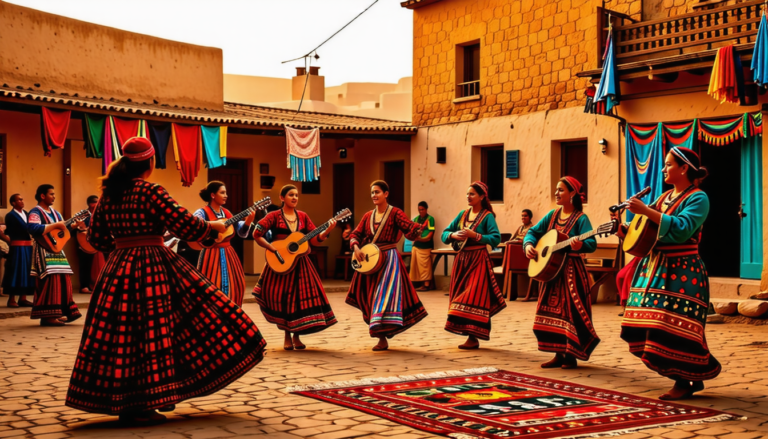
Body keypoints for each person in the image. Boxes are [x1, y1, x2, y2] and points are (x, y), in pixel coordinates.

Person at [65, 137, 267, 424]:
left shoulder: (109, 195)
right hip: (153, 267)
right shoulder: (151, 191)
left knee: (122, 335)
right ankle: (152, 398)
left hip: (118, 269)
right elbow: (184, 223)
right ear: (149, 164)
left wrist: (123, 249)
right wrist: (212, 227)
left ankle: (128, 402)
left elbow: (96, 239)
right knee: (162, 327)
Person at [617, 147, 719, 400]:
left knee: (673, 327)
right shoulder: (663, 199)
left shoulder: (698, 198)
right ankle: (686, 376)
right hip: (656, 268)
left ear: (684, 168)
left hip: (683, 272)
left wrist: (645, 210)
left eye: (668, 164)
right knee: (647, 324)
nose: (663, 169)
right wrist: (623, 229)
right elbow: (645, 230)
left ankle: (684, 380)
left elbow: (683, 229)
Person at [524, 176, 600, 369]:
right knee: (549, 310)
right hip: (551, 272)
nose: (556, 193)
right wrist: (529, 245)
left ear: (572, 194)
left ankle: (571, 355)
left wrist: (581, 244)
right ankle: (558, 352)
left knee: (570, 311)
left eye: (561, 190)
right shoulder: (552, 215)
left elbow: (592, 244)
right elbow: (532, 232)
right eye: (556, 190)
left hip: (572, 272)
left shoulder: (581, 219)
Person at [252, 184, 337, 350]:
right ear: (282, 198)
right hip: (280, 263)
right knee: (283, 299)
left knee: (299, 302)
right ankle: (286, 336)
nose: (294, 198)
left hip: (301, 265)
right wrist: (272, 248)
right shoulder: (274, 216)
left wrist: (327, 231)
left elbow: (313, 239)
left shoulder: (303, 216)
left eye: (296, 195)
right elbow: (257, 233)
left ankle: (297, 336)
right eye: (291, 195)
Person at [347, 180, 428, 351]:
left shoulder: (395, 213)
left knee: (382, 297)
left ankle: (382, 337)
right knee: (369, 297)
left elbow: (408, 229)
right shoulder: (368, 216)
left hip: (389, 261)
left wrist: (418, 229)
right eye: (372, 192)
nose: (374, 195)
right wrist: (356, 247)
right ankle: (381, 334)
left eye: (377, 192)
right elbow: (356, 233)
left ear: (386, 194)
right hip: (369, 262)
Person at [442, 182, 505, 349]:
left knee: (473, 296)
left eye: (472, 194)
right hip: (462, 260)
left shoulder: (487, 216)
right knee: (460, 295)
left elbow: (496, 238)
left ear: (482, 197)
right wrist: (453, 235)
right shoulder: (462, 215)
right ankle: (469, 334)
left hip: (478, 260)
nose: (468, 197)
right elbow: (444, 233)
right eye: (467, 194)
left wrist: (475, 235)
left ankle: (473, 335)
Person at [27, 184, 83, 326]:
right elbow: (33, 228)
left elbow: (61, 232)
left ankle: (63, 312)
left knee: (64, 280)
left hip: (57, 250)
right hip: (43, 250)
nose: (54, 196)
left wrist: (73, 226)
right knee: (49, 280)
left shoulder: (56, 213)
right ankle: (47, 316)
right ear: (42, 196)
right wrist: (56, 225)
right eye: (51, 194)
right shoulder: (35, 212)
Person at [193, 181, 255, 306]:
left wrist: (248, 221)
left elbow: (241, 232)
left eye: (226, 192)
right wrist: (212, 226)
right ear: (212, 195)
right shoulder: (202, 212)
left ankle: (231, 312)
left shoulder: (227, 213)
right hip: (210, 254)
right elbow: (194, 224)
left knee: (236, 284)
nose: (226, 195)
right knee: (211, 283)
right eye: (222, 192)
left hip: (228, 253)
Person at [0, 194, 36, 308]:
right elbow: (7, 232)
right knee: (16, 271)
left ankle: (23, 298)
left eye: (22, 199)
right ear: (13, 203)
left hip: (28, 247)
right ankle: (11, 299)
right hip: (17, 248)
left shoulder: (27, 213)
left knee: (27, 271)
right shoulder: (10, 215)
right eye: (19, 200)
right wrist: (9, 241)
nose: (21, 201)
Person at [76, 195, 105, 294]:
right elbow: (78, 227)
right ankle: (84, 286)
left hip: (97, 243)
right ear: (89, 204)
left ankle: (99, 285)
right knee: (85, 265)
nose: (95, 204)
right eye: (93, 202)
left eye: (97, 202)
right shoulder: (83, 214)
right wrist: (82, 228)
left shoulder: (100, 214)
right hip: (84, 243)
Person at [409, 201, 435, 291]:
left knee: (425, 266)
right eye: (419, 210)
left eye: (422, 209)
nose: (421, 211)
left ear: (426, 209)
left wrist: (422, 238)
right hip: (416, 245)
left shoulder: (430, 219)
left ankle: (427, 285)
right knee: (415, 265)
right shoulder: (415, 219)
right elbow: (411, 231)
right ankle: (417, 283)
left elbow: (431, 234)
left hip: (426, 245)